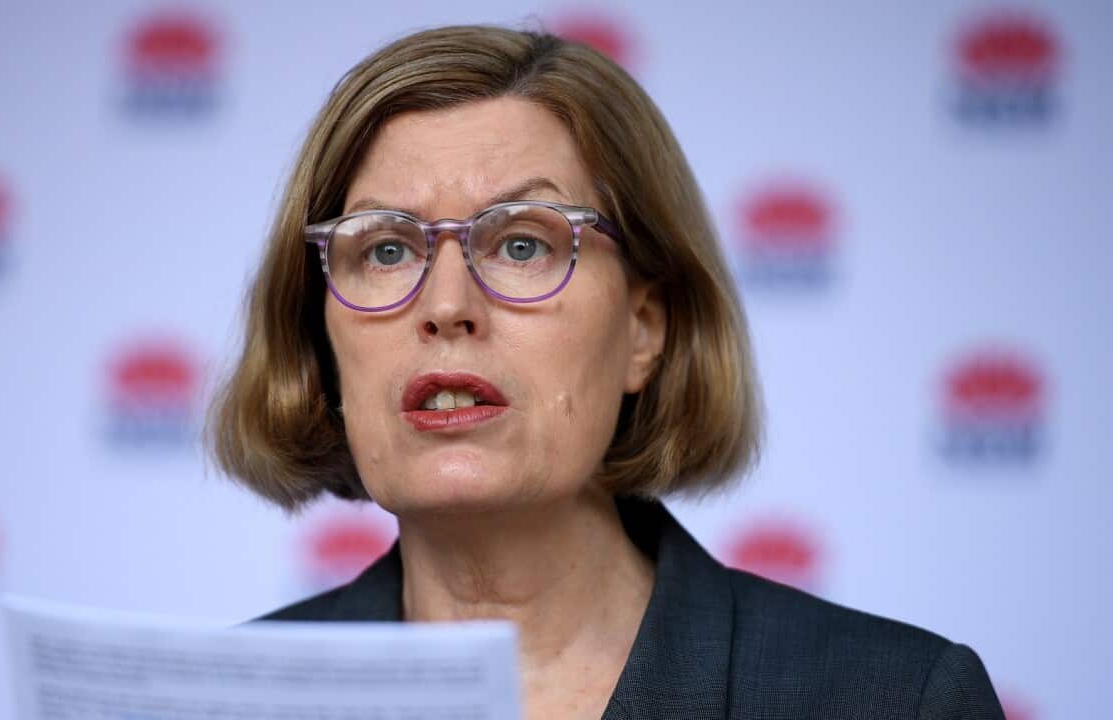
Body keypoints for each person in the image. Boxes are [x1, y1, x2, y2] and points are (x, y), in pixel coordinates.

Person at [211, 24, 1004, 720]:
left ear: (642, 330)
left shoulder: (893, 699)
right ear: (320, 336)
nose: (446, 304)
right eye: (385, 249)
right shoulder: (220, 705)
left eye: (523, 243)